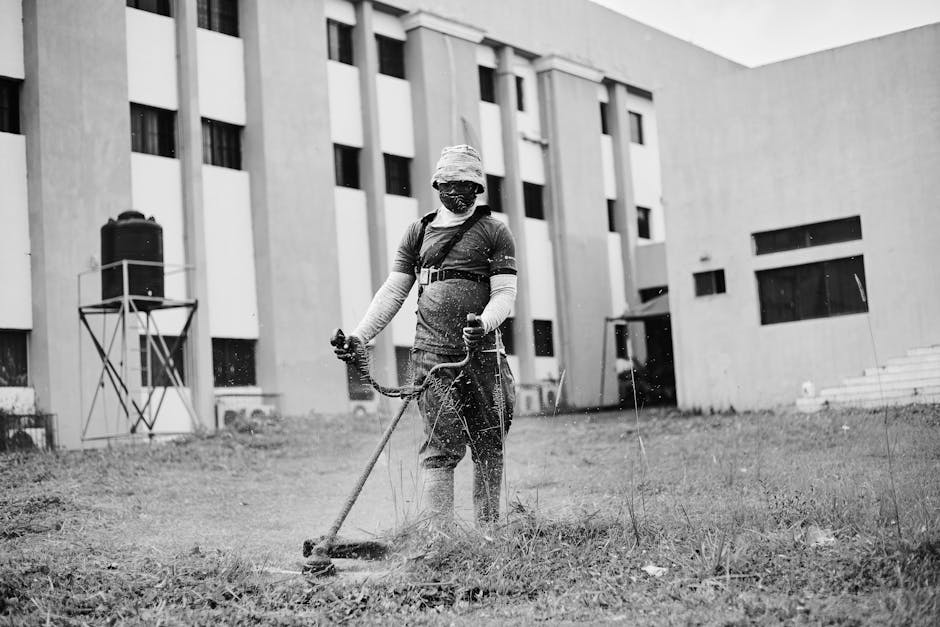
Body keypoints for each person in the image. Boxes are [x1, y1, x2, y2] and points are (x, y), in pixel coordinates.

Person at [334, 144, 517, 527]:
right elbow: (394, 290)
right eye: (450, 184)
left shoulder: (495, 232)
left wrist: (483, 323)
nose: (458, 191)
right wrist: (359, 336)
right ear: (437, 185)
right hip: (431, 356)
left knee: (489, 442)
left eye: (467, 184)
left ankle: (488, 533)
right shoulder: (418, 232)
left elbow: (504, 294)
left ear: (479, 188)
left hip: (482, 353)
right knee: (440, 444)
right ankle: (439, 537)